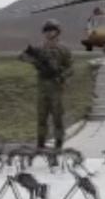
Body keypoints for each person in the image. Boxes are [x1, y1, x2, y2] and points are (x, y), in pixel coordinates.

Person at [20, 19, 73, 149]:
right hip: (42, 88)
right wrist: (35, 62)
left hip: (56, 88)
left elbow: (70, 68)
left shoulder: (63, 49)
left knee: (57, 118)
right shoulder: (39, 49)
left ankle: (58, 144)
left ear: (57, 32)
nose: (49, 33)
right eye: (47, 31)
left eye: (52, 30)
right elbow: (22, 57)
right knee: (41, 118)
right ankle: (40, 144)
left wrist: (62, 76)